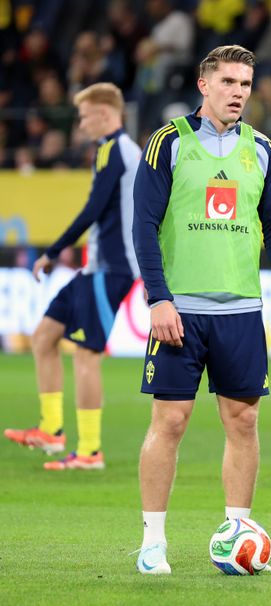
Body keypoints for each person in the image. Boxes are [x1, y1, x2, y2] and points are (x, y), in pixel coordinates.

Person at [131, 45, 271, 575]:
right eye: (228, 82)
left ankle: (238, 533)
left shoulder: (262, 149)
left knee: (244, 421)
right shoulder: (168, 144)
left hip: (241, 312)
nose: (238, 93)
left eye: (246, 85)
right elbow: (143, 226)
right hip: (179, 309)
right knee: (171, 421)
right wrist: (158, 297)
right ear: (204, 85)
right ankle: (152, 542)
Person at [4, 83, 141, 471]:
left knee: (86, 354)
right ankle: (51, 429)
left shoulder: (117, 150)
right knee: (44, 336)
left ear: (103, 113)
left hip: (112, 269)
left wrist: (52, 250)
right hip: (95, 268)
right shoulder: (111, 150)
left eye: (84, 115)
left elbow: (93, 210)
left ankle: (90, 451)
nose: (80, 124)